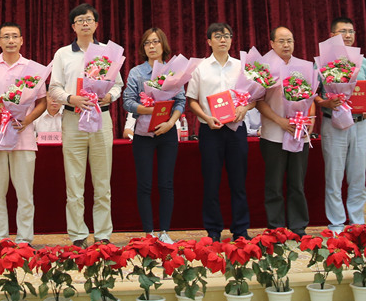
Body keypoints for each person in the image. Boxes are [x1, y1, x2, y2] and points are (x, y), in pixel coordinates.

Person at [48, 3, 124, 246]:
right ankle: (78, 235)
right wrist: (71, 98)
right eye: (79, 20)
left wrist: (109, 96)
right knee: (74, 182)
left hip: (101, 118)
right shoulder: (62, 54)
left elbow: (118, 85)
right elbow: (54, 88)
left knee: (103, 182)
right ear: (73, 26)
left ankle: (103, 234)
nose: (84, 23)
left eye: (88, 19)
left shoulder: (108, 53)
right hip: (73, 118)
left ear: (96, 24)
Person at [0, 22, 47, 244]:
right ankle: (1, 239)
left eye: (15, 36)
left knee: (25, 193)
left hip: (23, 137)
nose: (11, 41)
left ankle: (24, 240)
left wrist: (27, 120)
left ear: (22, 40)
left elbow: (42, 102)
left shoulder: (33, 68)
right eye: (6, 37)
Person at [186, 22, 254, 241]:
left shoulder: (242, 66)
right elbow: (192, 100)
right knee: (211, 183)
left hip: (236, 130)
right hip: (210, 130)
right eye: (217, 36)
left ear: (232, 40)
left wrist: (244, 108)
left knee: (239, 182)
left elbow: (254, 97)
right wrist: (206, 117)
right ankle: (213, 231)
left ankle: (240, 230)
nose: (223, 39)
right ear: (209, 41)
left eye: (226, 35)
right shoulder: (200, 68)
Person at [122, 27, 185, 244]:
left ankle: (164, 231)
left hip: (167, 132)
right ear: (143, 47)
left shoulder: (173, 72)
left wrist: (170, 122)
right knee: (144, 184)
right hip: (143, 134)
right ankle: (148, 232)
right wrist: (150, 110)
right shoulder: (136, 72)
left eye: (156, 41)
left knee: (166, 183)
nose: (152, 46)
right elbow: (127, 102)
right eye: (147, 42)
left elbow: (180, 101)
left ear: (163, 45)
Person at [315, 18, 366, 233]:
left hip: (359, 124)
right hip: (333, 123)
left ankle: (357, 221)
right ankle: (337, 223)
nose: (348, 35)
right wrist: (326, 103)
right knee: (334, 175)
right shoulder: (322, 62)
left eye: (351, 31)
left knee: (358, 176)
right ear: (332, 35)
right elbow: (312, 94)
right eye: (342, 31)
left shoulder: (362, 61)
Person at [256, 26, 311, 236]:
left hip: (298, 134)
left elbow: (311, 98)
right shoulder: (264, 67)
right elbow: (258, 101)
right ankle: (276, 228)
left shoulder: (303, 66)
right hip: (273, 134)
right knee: (274, 184)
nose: (286, 45)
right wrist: (280, 121)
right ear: (272, 43)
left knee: (297, 183)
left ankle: (298, 227)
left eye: (290, 40)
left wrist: (308, 122)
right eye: (281, 41)